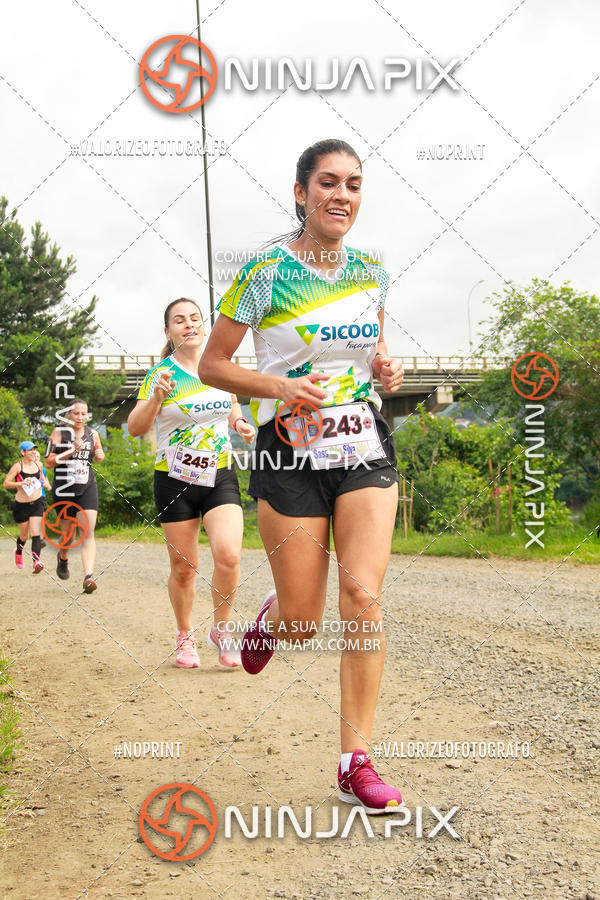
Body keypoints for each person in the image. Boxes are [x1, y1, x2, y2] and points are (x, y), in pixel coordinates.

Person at [199, 139, 406, 814]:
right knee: (302, 623)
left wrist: (387, 369)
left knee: (363, 597)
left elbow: (372, 344)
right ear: (301, 192)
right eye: (327, 183)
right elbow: (213, 365)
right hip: (288, 450)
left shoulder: (372, 268)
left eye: (352, 184)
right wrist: (281, 388)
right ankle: (270, 621)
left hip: (363, 445)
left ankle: (356, 760)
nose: (341, 195)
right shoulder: (264, 271)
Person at [127, 298, 255, 669]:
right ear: (168, 332)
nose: (189, 324)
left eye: (195, 319)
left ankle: (222, 630)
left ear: (205, 326)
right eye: (179, 321)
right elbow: (136, 428)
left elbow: (231, 407)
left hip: (219, 473)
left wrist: (239, 424)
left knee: (229, 554)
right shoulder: (160, 375)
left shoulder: (219, 367)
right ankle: (185, 636)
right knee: (184, 567)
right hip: (174, 478)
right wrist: (155, 400)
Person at [45, 400, 105, 592]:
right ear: (68, 414)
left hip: (86, 486)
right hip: (64, 489)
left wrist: (99, 454)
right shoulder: (58, 433)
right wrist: (71, 450)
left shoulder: (92, 434)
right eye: (76, 413)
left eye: (83, 414)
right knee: (68, 536)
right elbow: (48, 462)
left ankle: (89, 576)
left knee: (88, 532)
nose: (80, 417)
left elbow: (98, 451)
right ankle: (63, 557)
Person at [4, 440, 51, 573]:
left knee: (36, 533)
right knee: (24, 536)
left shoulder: (38, 464)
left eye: (34, 449)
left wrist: (45, 483)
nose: (33, 452)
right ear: (23, 452)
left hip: (37, 502)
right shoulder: (17, 467)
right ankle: (18, 551)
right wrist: (21, 483)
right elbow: (6, 483)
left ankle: (36, 561)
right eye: (29, 450)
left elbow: (43, 478)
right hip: (21, 505)